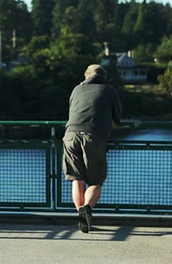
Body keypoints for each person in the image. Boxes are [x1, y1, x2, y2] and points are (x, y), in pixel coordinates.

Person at [62, 64, 122, 233]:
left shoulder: (76, 90)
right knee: (96, 181)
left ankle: (81, 216)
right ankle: (86, 208)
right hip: (94, 136)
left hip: (70, 135)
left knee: (77, 178)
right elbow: (117, 116)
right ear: (104, 77)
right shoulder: (109, 90)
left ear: (86, 76)